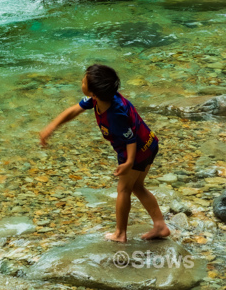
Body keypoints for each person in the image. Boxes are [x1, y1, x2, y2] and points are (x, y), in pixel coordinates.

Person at [39, 63, 170, 243]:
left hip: (137, 149)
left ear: (93, 92)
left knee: (123, 189)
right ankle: (160, 226)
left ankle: (120, 233)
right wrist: (52, 127)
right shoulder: (99, 99)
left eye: (84, 81)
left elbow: (130, 138)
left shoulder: (115, 113)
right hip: (149, 142)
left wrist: (129, 162)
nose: (81, 81)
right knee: (137, 187)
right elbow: (73, 111)